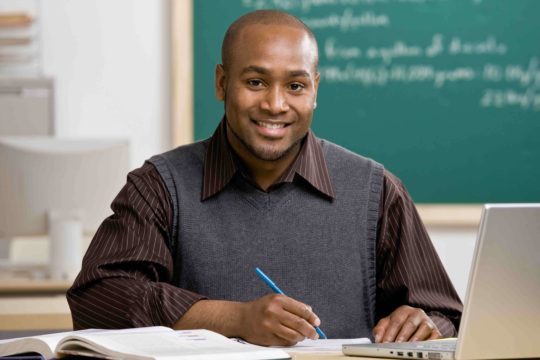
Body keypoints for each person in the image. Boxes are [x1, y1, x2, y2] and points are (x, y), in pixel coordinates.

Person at [67, 10, 462, 346]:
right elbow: (96, 298)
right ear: (222, 83)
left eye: (295, 86)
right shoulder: (159, 186)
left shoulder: (377, 191)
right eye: (255, 82)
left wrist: (426, 325)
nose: (275, 105)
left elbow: (447, 315)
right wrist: (233, 320)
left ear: (315, 89)